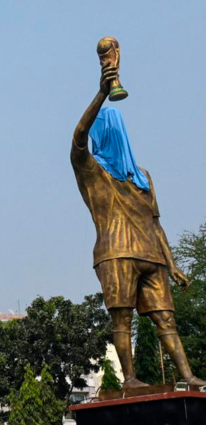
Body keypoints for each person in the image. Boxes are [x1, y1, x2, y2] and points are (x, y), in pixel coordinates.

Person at [71, 64, 205, 389]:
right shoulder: (92, 171)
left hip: (152, 256)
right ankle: (130, 378)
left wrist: (173, 264)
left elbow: (156, 224)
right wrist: (103, 92)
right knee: (122, 318)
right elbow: (77, 140)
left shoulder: (143, 177)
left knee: (166, 319)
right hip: (116, 253)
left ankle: (188, 377)